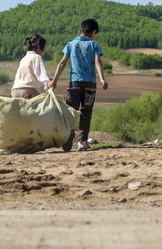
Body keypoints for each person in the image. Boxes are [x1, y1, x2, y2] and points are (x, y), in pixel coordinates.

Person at [50, 18, 109, 151]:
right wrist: (102, 79)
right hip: (90, 85)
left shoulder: (71, 44)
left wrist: (54, 81)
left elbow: (62, 63)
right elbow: (98, 62)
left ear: (79, 31)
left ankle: (67, 138)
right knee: (86, 112)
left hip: (74, 85)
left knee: (71, 112)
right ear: (94, 32)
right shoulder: (94, 45)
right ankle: (82, 141)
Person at [11, 34, 51, 99]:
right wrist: (49, 84)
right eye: (45, 49)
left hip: (15, 91)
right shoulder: (37, 57)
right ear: (39, 48)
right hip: (28, 91)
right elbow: (42, 76)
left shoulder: (23, 59)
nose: (44, 52)